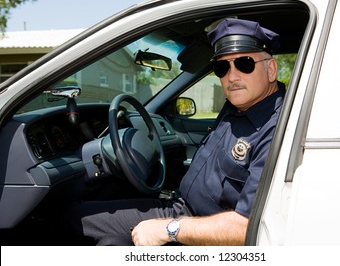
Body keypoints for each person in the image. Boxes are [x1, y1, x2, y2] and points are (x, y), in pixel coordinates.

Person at [66, 18, 285, 246]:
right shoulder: (237, 106)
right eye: (222, 67)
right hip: (180, 210)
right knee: (78, 217)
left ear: (271, 69)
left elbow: (248, 228)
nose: (232, 77)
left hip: (205, 233)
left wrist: (170, 229)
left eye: (245, 64)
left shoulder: (277, 130)